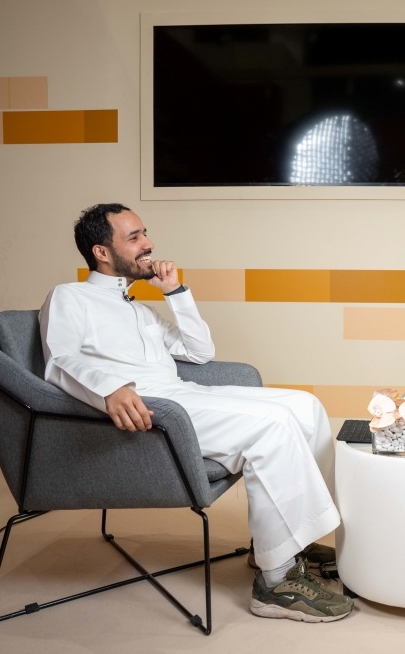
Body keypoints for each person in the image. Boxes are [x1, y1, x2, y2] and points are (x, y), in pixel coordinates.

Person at [39, 203, 353, 623]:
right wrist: (109, 389)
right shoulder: (69, 296)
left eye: (145, 233)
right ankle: (276, 584)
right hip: (151, 411)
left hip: (183, 394)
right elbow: (59, 360)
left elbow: (200, 352)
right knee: (273, 426)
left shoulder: (139, 308)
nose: (148, 243)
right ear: (101, 252)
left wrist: (174, 293)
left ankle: (287, 541)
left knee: (305, 406)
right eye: (134, 237)